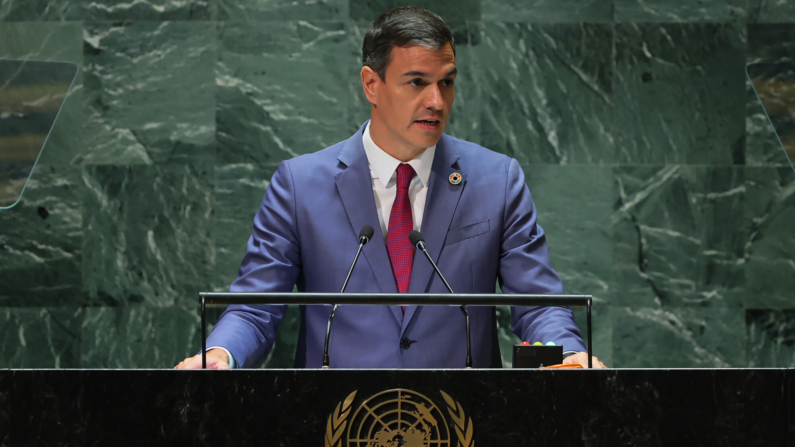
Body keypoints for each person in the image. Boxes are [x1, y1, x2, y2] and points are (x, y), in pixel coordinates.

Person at [176, 6, 606, 370]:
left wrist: (568, 356)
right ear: (371, 84)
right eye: (417, 82)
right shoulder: (299, 185)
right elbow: (255, 306)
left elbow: (538, 305)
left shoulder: (497, 180)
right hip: (336, 422)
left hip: (462, 422)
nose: (437, 101)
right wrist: (220, 353)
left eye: (447, 82)